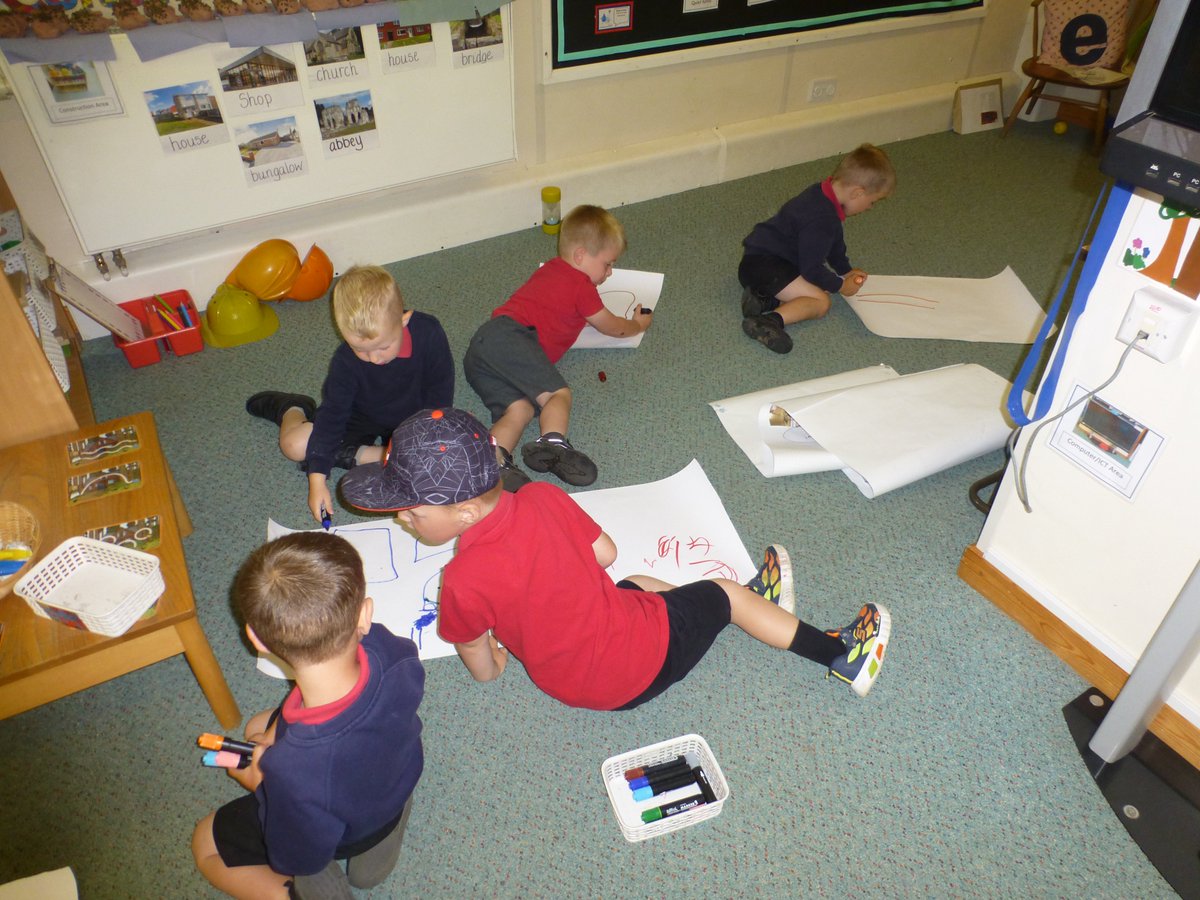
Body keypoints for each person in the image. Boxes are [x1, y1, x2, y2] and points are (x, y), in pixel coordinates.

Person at [341, 408, 892, 714]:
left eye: (409, 512)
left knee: (640, 584)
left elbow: (473, 649)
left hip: (574, 682)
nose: (402, 519)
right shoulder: (540, 498)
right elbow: (603, 553)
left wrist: (491, 669)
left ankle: (755, 612)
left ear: (463, 512)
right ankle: (838, 655)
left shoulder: (461, 579)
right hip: (635, 668)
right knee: (720, 593)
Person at [191, 532, 425, 900]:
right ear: (364, 614)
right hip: (393, 783)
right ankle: (381, 840)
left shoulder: (292, 773)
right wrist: (276, 754)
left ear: (257, 640)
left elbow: (296, 850)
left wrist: (262, 783)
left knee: (205, 844)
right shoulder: (396, 655)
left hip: (334, 830)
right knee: (258, 728)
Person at [463, 204, 652, 492]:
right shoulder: (581, 285)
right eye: (608, 264)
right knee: (558, 394)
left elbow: (556, 310)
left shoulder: (551, 271)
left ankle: (493, 462)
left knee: (519, 410)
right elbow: (611, 326)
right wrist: (637, 325)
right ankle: (553, 443)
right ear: (580, 256)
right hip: (511, 338)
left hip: (483, 350)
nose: (610, 273)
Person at [245, 265, 454, 524]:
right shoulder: (345, 361)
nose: (374, 358)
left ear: (404, 320)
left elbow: (440, 394)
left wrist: (426, 438)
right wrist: (317, 479)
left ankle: (373, 454)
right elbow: (334, 415)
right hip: (360, 415)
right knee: (295, 446)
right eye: (360, 349)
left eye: (383, 347)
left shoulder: (429, 332)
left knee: (440, 456)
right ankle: (292, 407)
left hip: (411, 419)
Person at [738, 143, 896, 354]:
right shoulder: (822, 220)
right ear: (858, 193)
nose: (869, 208)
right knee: (820, 301)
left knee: (816, 284)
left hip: (759, 263)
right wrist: (840, 285)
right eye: (872, 202)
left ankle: (762, 297)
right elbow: (811, 269)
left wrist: (845, 270)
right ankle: (768, 321)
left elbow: (834, 244)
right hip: (767, 267)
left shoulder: (822, 195)